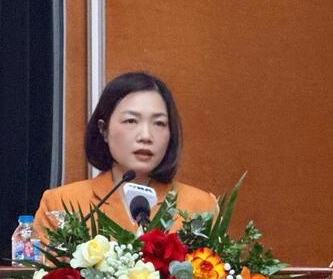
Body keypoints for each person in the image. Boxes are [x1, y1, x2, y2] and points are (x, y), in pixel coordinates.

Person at [33, 72, 217, 236]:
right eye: (131, 121)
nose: (146, 136)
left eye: (159, 123)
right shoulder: (61, 204)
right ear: (104, 129)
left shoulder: (200, 206)